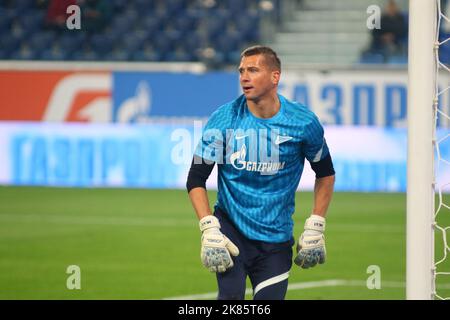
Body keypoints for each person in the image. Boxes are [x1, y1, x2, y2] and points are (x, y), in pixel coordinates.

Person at [186, 45, 335, 300]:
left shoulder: (303, 122)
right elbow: (196, 178)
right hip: (230, 231)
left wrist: (316, 224)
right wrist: (209, 227)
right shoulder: (223, 119)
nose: (244, 76)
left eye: (253, 70)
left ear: (275, 76)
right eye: (241, 71)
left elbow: (325, 172)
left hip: (275, 239)